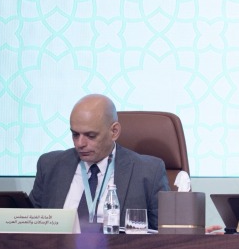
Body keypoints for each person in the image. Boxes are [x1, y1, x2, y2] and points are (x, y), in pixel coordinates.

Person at [30, 94, 169, 229]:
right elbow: (28, 226)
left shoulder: (148, 172)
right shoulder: (50, 166)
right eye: (75, 134)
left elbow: (167, 235)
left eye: (91, 135)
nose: (80, 143)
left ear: (114, 131)